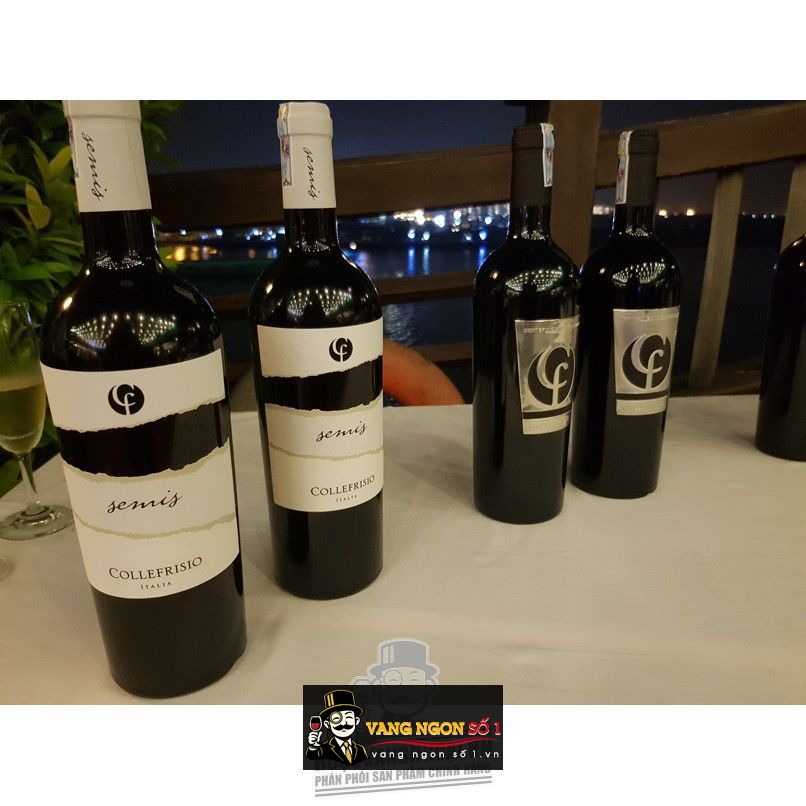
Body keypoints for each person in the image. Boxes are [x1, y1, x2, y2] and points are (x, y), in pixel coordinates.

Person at [306, 689, 368, 765]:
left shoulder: (360, 750)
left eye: (348, 717)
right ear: (327, 724)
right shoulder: (323, 749)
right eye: (336, 718)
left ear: (356, 721)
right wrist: (313, 747)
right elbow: (312, 759)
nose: (343, 723)